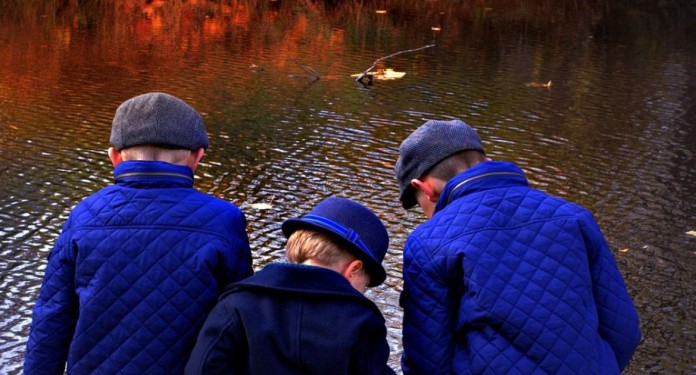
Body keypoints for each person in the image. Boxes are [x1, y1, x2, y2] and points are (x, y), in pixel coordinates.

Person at [23, 92, 254, 374]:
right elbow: (241, 320)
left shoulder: (83, 216)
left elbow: (51, 318)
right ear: (197, 157)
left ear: (114, 156)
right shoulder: (225, 221)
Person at [394, 119, 641, 374]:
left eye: (419, 204)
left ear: (423, 188)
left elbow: (426, 362)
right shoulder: (574, 217)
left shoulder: (428, 242)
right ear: (487, 163)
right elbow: (624, 332)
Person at [185, 196, 396, 375]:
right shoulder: (362, 322)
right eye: (365, 284)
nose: (362, 292)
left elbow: (201, 369)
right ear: (353, 269)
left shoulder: (236, 303)